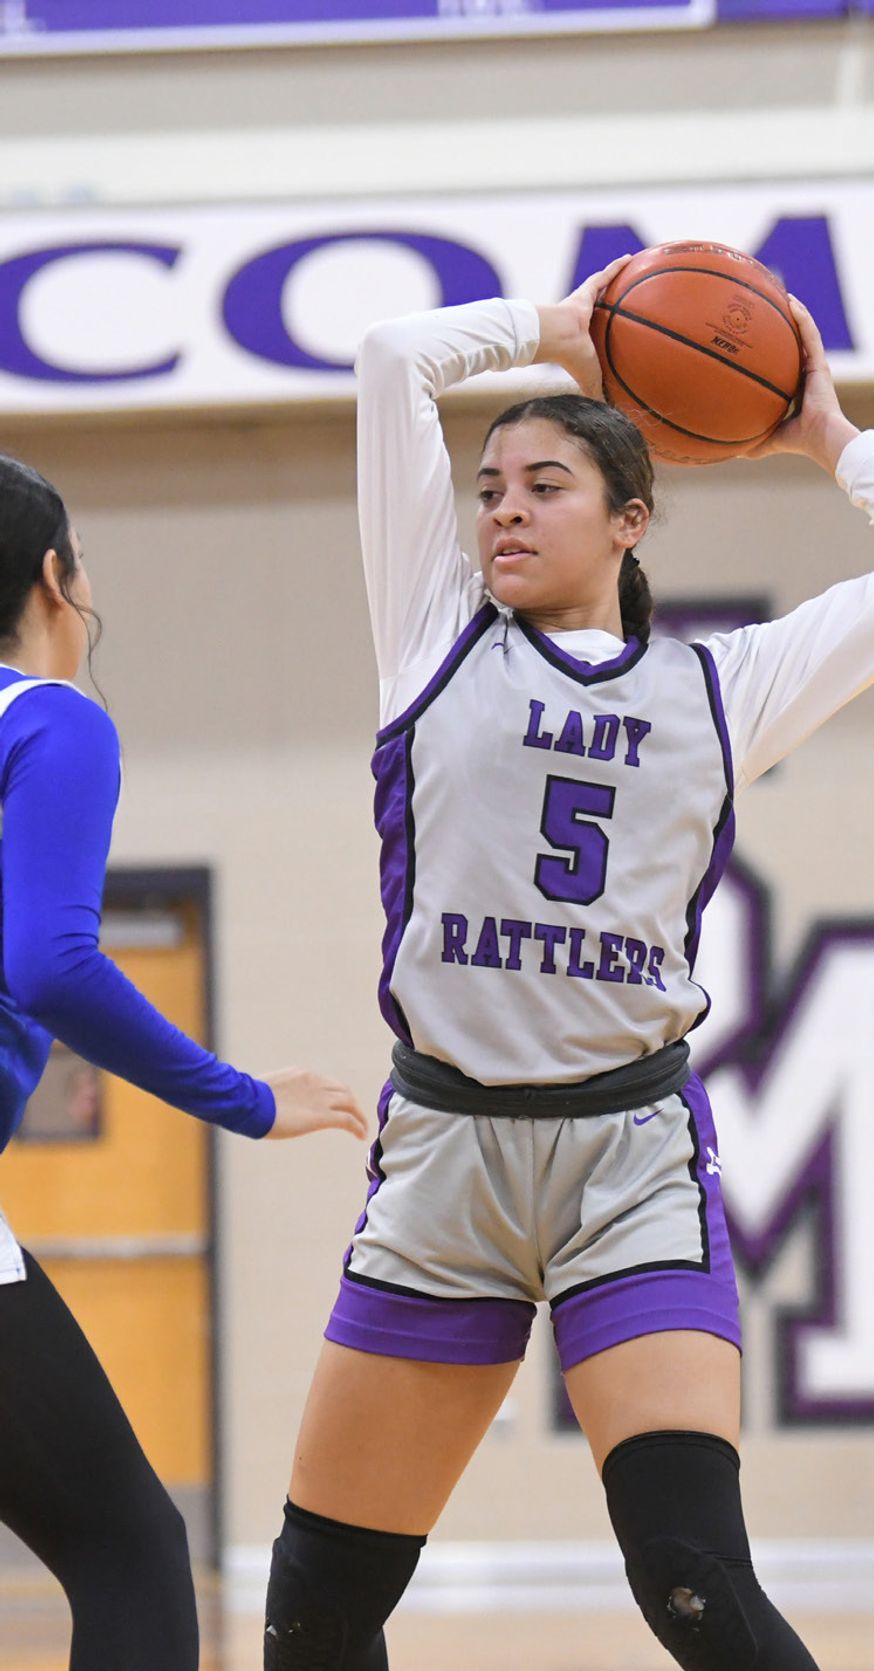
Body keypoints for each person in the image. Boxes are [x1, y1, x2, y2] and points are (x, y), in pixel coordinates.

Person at [263, 256, 874, 1671]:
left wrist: (823, 426)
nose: (504, 510)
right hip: (447, 1163)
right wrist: (571, 327)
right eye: (488, 488)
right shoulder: (431, 636)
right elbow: (388, 356)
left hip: (628, 1162)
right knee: (317, 1609)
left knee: (691, 1581)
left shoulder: (723, 690)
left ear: (631, 517)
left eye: (544, 484)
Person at [0, 453, 369, 1671]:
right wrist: (249, 1102)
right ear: (59, 578)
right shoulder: (52, 719)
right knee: (132, 1556)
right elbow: (52, 963)